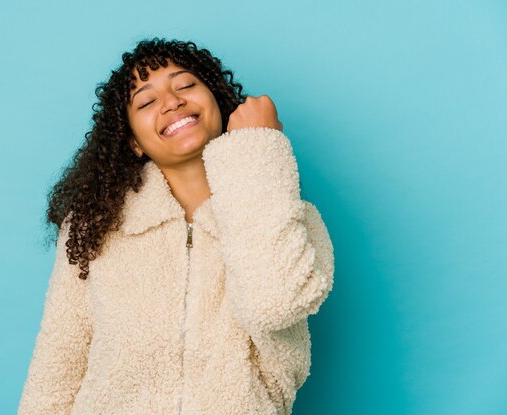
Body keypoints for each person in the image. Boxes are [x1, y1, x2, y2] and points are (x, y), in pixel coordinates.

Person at [17, 37, 334, 415]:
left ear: (219, 103)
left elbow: (275, 304)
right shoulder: (94, 228)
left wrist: (256, 147)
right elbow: (56, 368)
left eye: (185, 85)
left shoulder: (286, 215)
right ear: (133, 142)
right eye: (147, 101)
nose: (171, 102)